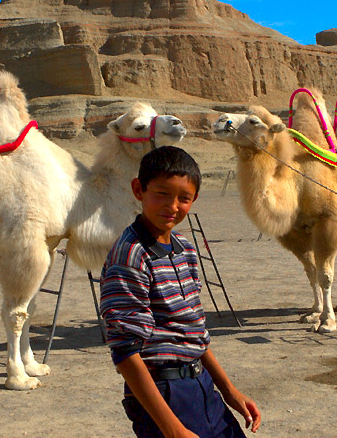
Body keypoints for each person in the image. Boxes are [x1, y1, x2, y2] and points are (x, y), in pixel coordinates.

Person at [100, 146, 261, 438]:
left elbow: (193, 331)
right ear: (139, 190)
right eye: (161, 194)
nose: (172, 206)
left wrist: (229, 391)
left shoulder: (184, 247)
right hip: (162, 394)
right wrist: (173, 430)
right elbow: (125, 352)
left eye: (183, 198)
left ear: (194, 199)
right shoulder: (130, 256)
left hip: (201, 385)